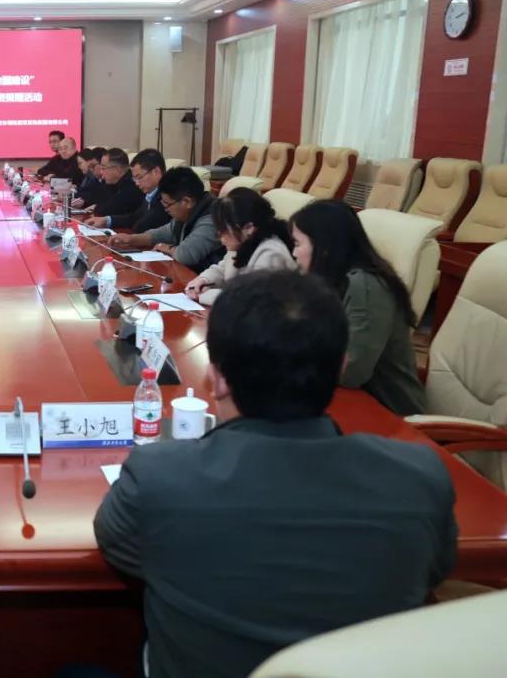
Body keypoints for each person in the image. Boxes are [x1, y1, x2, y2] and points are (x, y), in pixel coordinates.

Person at [94, 270, 456, 678]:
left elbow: (120, 549)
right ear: (340, 367)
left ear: (217, 377)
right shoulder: (421, 477)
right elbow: (436, 570)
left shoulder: (158, 476)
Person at [290, 200, 426, 415]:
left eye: (298, 244)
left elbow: (351, 372)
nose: (294, 253)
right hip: (347, 399)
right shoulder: (330, 280)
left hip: (389, 413)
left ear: (324, 248)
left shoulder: (366, 286)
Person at [183, 187, 295, 305]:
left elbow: (248, 301)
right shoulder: (242, 242)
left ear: (249, 228)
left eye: (223, 230)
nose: (220, 237)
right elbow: (222, 268)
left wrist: (203, 295)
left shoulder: (271, 255)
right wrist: (203, 280)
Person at [109, 166, 224, 273]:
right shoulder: (187, 212)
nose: (165, 209)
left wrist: (164, 247)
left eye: (167, 204)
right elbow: (161, 234)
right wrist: (130, 239)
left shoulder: (213, 217)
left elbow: (186, 255)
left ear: (187, 202)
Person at [85, 149, 169, 233]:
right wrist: (107, 220)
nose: (137, 183)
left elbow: (140, 226)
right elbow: (135, 217)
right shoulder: (150, 193)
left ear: (156, 172)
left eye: (139, 177)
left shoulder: (167, 196)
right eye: (135, 178)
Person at [85, 148, 148, 218]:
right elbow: (98, 201)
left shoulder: (131, 185)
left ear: (116, 170)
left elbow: (105, 210)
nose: (101, 172)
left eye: (104, 168)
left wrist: (97, 207)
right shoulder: (112, 183)